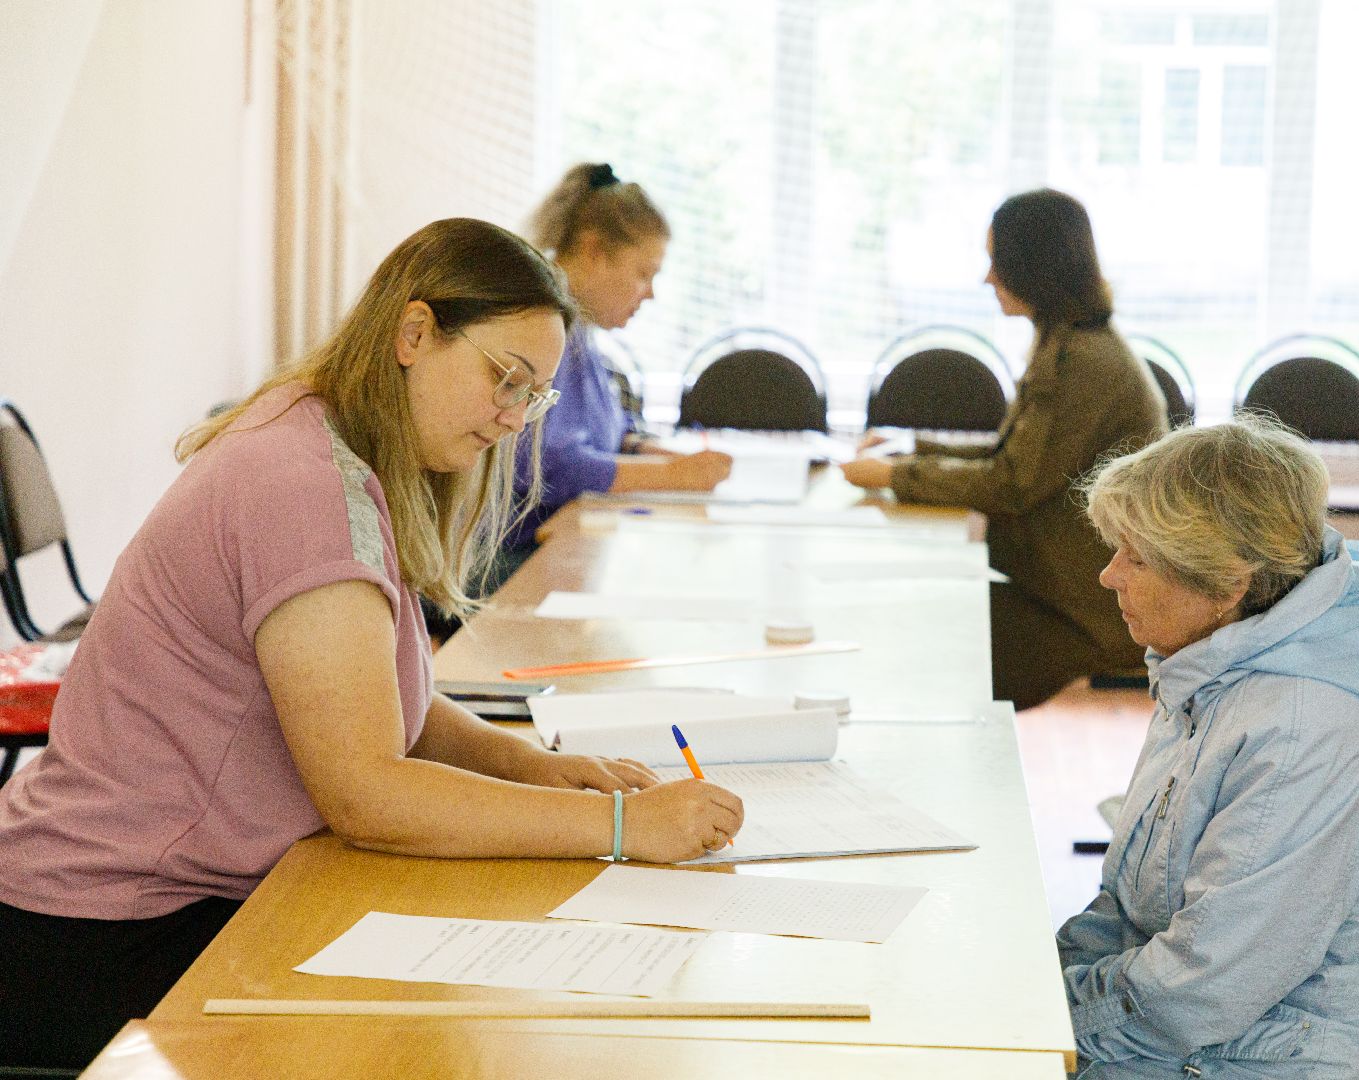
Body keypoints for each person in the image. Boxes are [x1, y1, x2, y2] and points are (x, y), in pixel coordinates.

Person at [0, 218, 743, 1070]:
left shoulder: (335, 442)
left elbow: (402, 709)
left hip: (173, 899)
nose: (511, 419)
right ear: (415, 333)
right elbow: (369, 795)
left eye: (532, 396)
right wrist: (617, 826)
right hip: (103, 931)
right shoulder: (299, 485)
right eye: (504, 379)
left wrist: (532, 766)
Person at [1059, 415, 1359, 1078]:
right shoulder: (1208, 670)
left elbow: (1202, 989)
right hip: (1221, 1041)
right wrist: (1038, 987)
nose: (1107, 576)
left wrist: (1050, 1016)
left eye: (1137, 558)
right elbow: (1125, 908)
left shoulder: (1307, 732)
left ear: (1229, 583)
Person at [841, 189, 1167, 709]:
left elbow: (1011, 483)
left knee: (913, 638)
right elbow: (1014, 455)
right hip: (1062, 593)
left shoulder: (1081, 361)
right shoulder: (1072, 342)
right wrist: (910, 450)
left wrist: (893, 476)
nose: (988, 277)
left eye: (997, 261)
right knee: (913, 618)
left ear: (1033, 267)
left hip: (1080, 613)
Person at [489, 162, 732, 588]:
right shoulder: (539, 324)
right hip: (503, 562)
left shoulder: (579, 330)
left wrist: (652, 450)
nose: (650, 293)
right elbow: (546, 464)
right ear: (595, 251)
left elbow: (610, 432)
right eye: (644, 273)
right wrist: (672, 476)